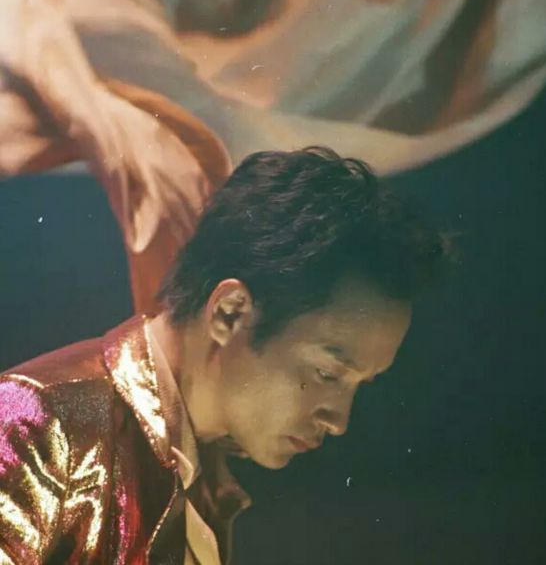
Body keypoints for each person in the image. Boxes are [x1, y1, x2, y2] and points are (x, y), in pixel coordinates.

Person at [0, 147, 443, 565]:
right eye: (329, 373)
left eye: (360, 384)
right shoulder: (36, 420)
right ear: (230, 313)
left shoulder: (203, 469)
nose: (339, 420)